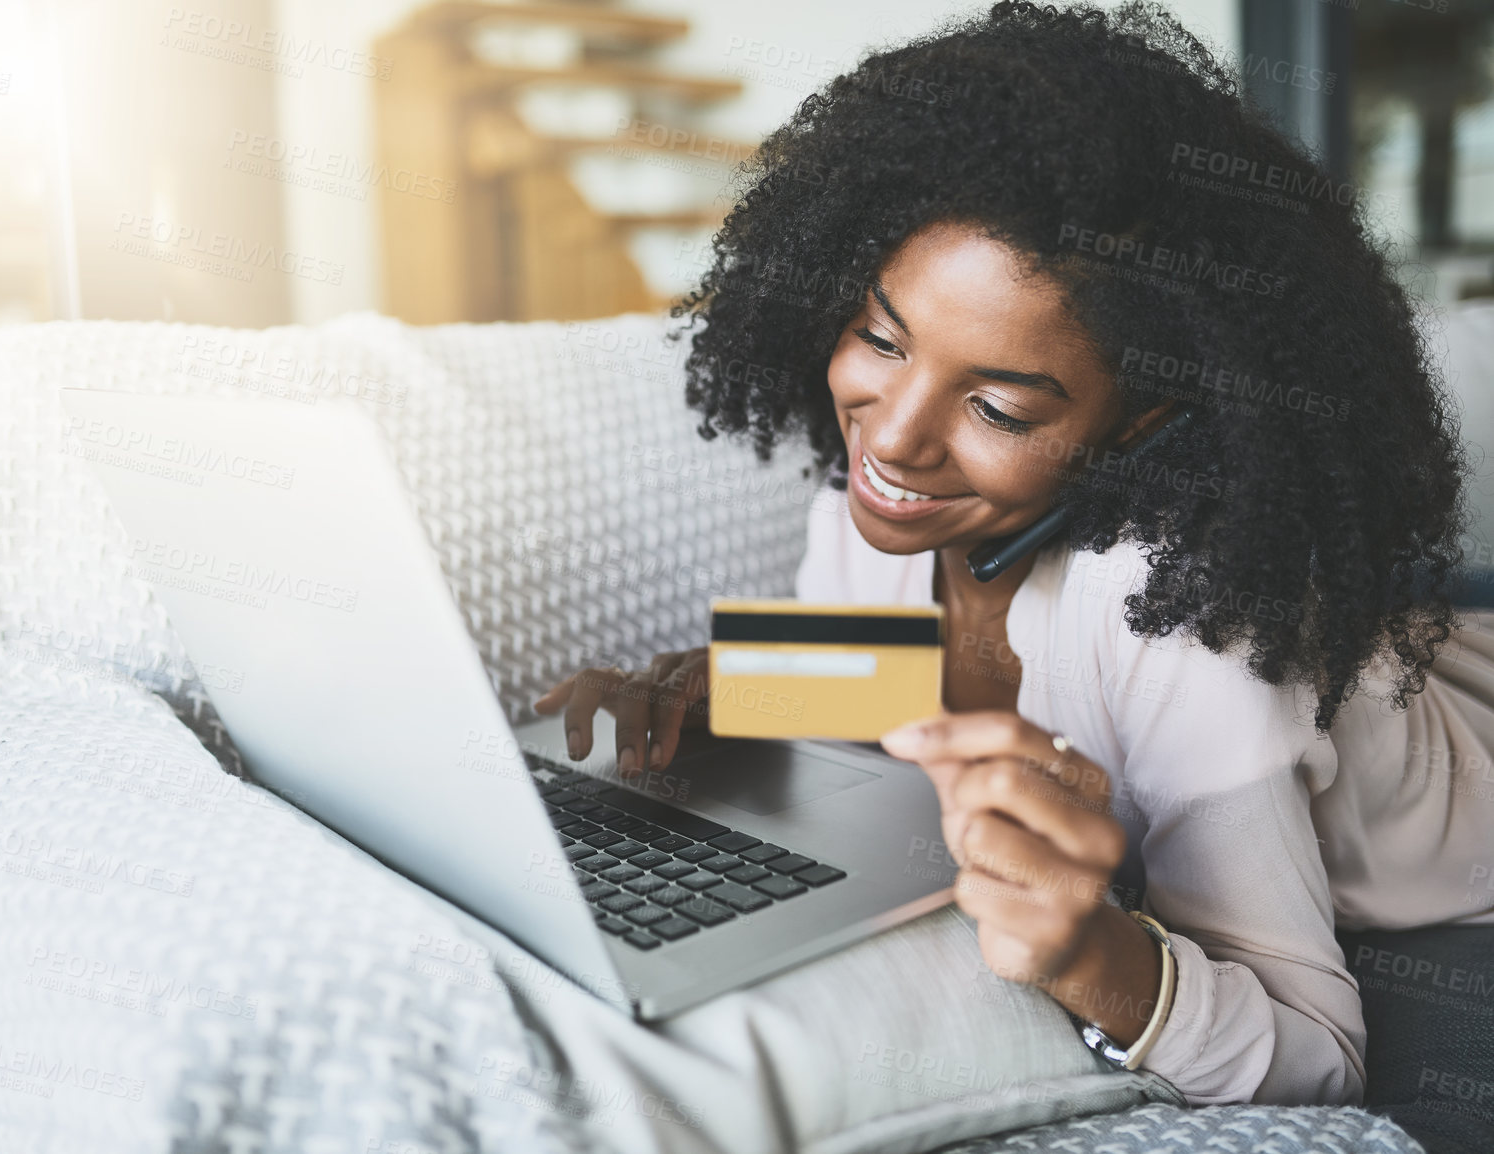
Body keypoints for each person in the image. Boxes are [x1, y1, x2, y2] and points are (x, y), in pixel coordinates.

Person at [534, 2, 1494, 1146]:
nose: (890, 441)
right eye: (882, 340)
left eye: (995, 405)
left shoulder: (1197, 636)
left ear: (1145, 419)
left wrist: (1096, 955)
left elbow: (1321, 1058)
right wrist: (726, 690)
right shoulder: (870, 511)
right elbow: (899, 679)